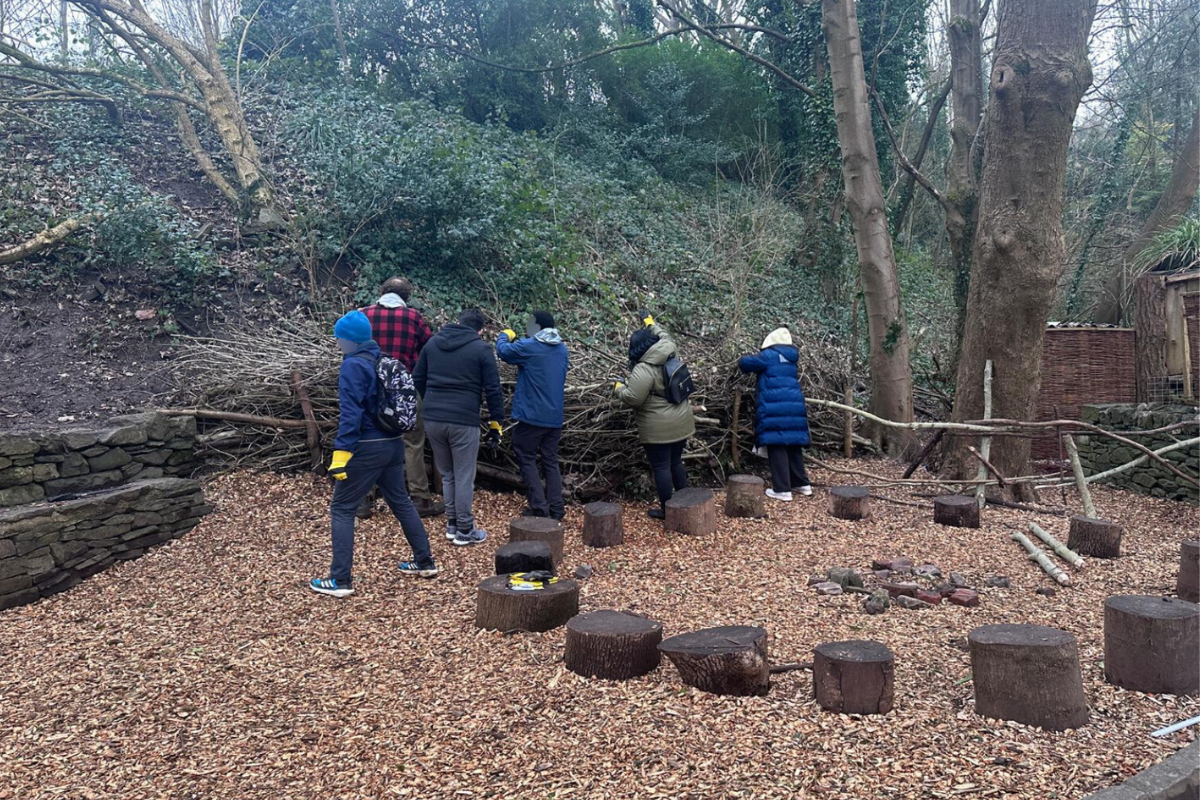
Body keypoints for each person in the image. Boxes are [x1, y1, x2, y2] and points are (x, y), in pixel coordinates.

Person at [310, 310, 438, 598]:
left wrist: (341, 452)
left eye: (339, 338)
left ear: (349, 340)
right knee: (401, 502)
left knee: (342, 509)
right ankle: (424, 561)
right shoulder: (383, 361)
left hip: (366, 446)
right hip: (393, 443)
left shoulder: (353, 366)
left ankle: (340, 580)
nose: (337, 343)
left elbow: (351, 413)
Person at [413, 308, 505, 546]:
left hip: (433, 418)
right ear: (480, 330)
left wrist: (432, 401)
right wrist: (497, 423)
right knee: (464, 475)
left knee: (448, 474)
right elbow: (493, 389)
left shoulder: (432, 345)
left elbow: (417, 379)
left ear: (457, 323)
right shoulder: (482, 349)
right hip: (463, 418)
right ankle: (465, 529)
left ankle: (453, 524)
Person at [360, 276, 441, 518]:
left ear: (382, 291)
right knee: (413, 442)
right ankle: (419, 498)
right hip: (404, 388)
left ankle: (364, 499)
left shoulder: (363, 314)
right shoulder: (414, 317)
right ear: (406, 296)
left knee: (369, 438)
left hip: (371, 388)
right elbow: (430, 347)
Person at [614, 311, 695, 520]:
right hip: (682, 420)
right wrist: (650, 323)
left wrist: (618, 388)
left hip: (658, 427)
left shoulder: (644, 368)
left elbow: (634, 398)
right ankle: (684, 505)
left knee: (661, 466)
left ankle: (668, 511)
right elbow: (663, 334)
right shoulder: (669, 348)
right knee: (676, 462)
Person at [497, 310, 570, 520]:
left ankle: (539, 507)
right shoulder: (562, 349)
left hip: (532, 415)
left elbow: (503, 352)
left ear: (536, 327)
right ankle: (556, 509)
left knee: (525, 455)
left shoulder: (530, 347)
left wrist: (505, 334)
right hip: (554, 416)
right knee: (550, 460)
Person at [738, 327, 812, 501]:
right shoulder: (791, 357)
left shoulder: (769, 355)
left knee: (776, 443)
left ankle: (782, 489)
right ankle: (802, 484)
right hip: (794, 406)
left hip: (774, 406)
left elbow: (744, 363)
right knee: (793, 444)